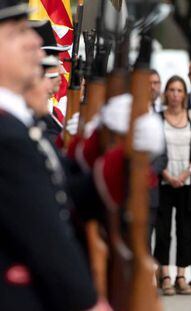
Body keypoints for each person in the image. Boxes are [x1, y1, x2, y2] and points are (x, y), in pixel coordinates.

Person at [0, 1, 103, 309]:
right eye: (18, 32)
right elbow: (46, 236)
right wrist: (89, 301)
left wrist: (110, 151)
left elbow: (64, 191)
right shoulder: (8, 133)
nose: (33, 42)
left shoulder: (18, 125)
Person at [154, 75, 191, 296]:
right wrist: (166, 174)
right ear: (166, 93)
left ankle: (181, 275)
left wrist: (189, 169)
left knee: (185, 229)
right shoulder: (158, 118)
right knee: (163, 231)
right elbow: (153, 148)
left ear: (185, 95)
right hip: (164, 180)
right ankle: (165, 275)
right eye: (172, 90)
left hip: (186, 181)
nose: (175, 95)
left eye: (179, 90)